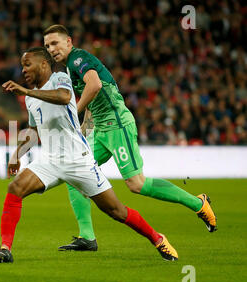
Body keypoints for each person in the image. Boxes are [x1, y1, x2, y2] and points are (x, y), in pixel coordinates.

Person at [0, 47, 178, 263]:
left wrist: (27, 92)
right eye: (22, 66)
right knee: (15, 188)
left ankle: (157, 238)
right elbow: (33, 131)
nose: (23, 70)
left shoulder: (60, 78)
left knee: (116, 211)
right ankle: (5, 249)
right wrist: (17, 154)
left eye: (27, 64)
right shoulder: (31, 99)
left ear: (43, 64)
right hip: (49, 160)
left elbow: (63, 97)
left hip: (78, 159)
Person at [43, 25, 217, 251]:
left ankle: (198, 203)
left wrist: (73, 111)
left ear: (69, 41)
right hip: (101, 130)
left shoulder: (77, 58)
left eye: (55, 43)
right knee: (74, 174)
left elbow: (94, 85)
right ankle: (87, 237)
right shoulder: (69, 68)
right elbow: (93, 95)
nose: (51, 49)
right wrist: (85, 125)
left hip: (118, 125)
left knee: (136, 184)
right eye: (47, 46)